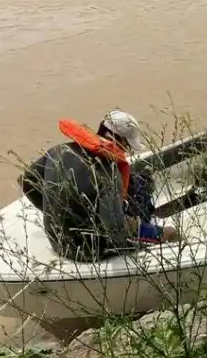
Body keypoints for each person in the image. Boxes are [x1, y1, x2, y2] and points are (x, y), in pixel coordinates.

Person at [20, 110, 178, 263]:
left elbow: (26, 181)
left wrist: (52, 211)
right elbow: (116, 231)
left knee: (137, 182)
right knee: (170, 233)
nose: (126, 151)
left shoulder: (59, 150)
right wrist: (155, 233)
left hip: (56, 238)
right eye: (127, 146)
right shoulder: (108, 174)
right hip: (88, 250)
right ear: (121, 141)